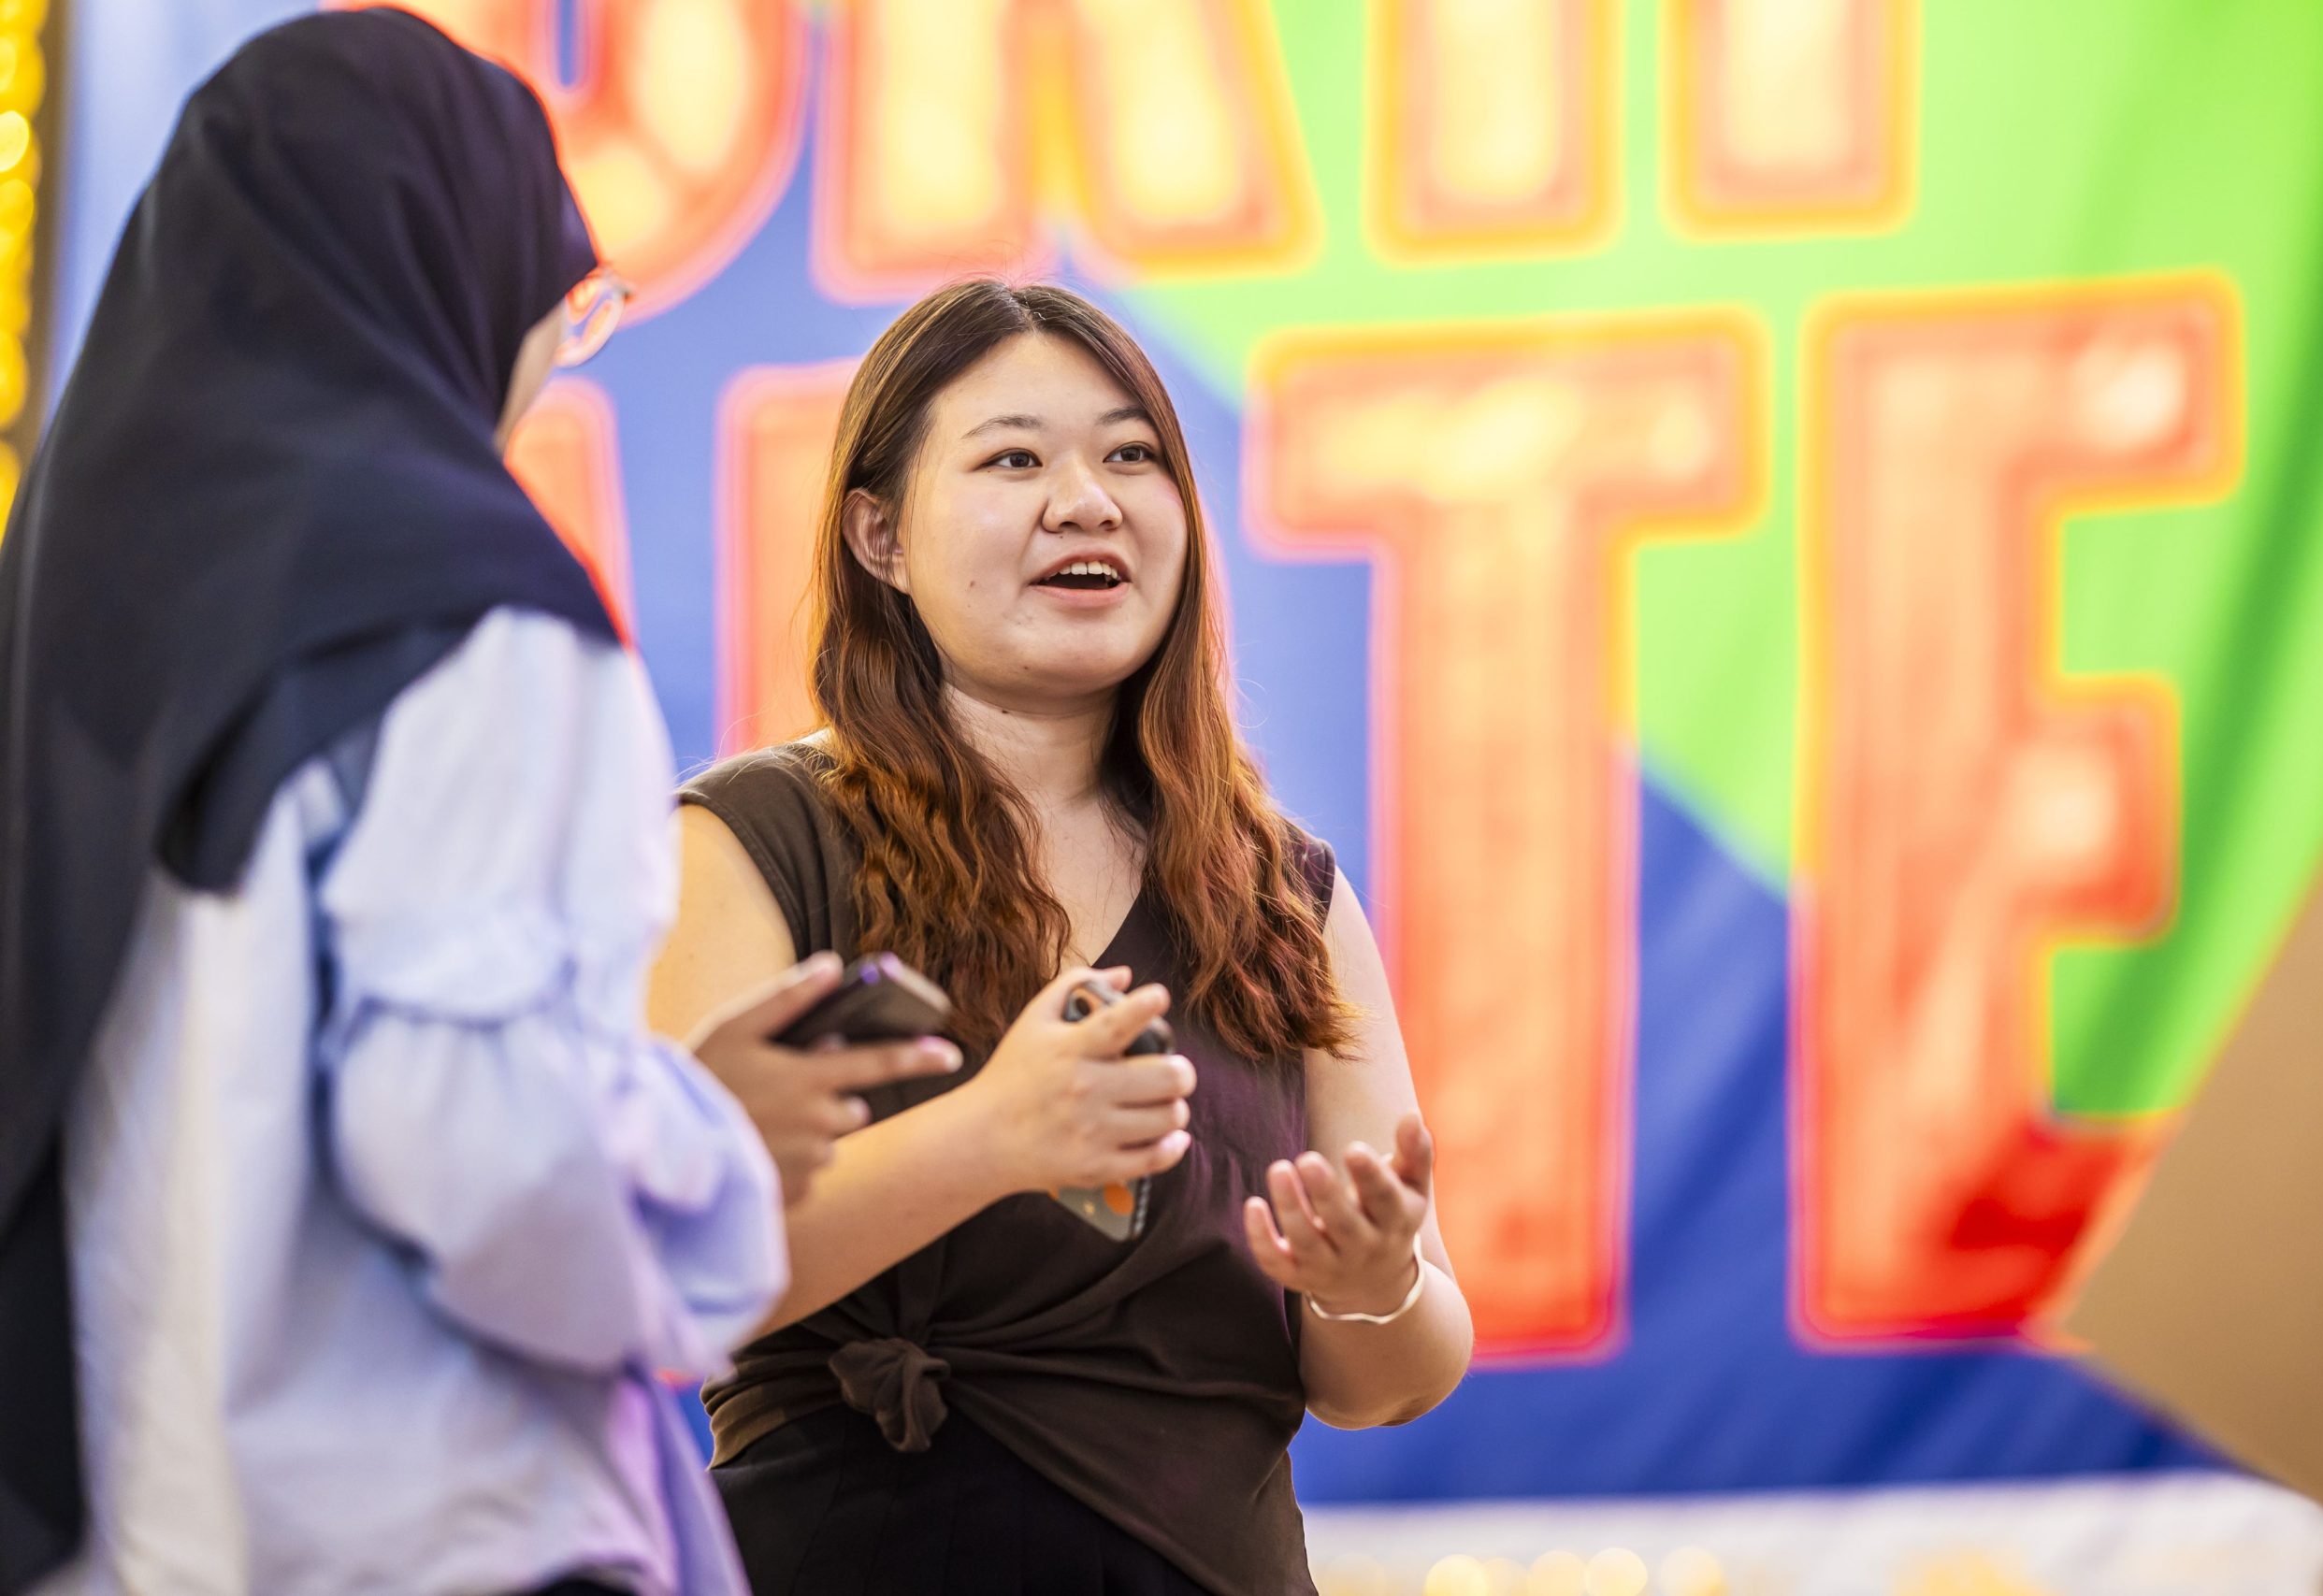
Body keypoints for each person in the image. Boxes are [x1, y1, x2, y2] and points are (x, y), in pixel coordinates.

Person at [0, 12, 954, 1594]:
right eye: (555, 309)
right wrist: (704, 1137)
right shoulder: (467, 609)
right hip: (431, 1537)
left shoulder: (66, 621)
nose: (533, 368)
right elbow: (472, 1150)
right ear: (441, 274)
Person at [648, 279, 1476, 1595]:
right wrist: (988, 1140)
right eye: (1014, 458)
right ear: (881, 537)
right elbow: (656, 1273)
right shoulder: (755, 839)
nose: (1087, 499)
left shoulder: (1280, 891)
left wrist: (1367, 1281)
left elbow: (1391, 1379)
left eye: (1130, 456)